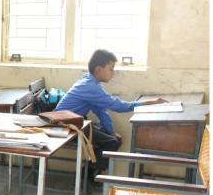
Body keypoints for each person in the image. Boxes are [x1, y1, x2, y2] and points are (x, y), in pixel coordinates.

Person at [54, 49, 166, 182]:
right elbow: (119, 106)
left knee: (115, 140)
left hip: (76, 122)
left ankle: (89, 174)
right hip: (65, 125)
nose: (113, 72)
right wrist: (148, 103)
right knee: (112, 143)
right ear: (99, 69)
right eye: (111, 68)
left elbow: (101, 111)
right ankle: (86, 177)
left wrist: (111, 131)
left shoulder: (91, 83)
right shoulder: (90, 86)